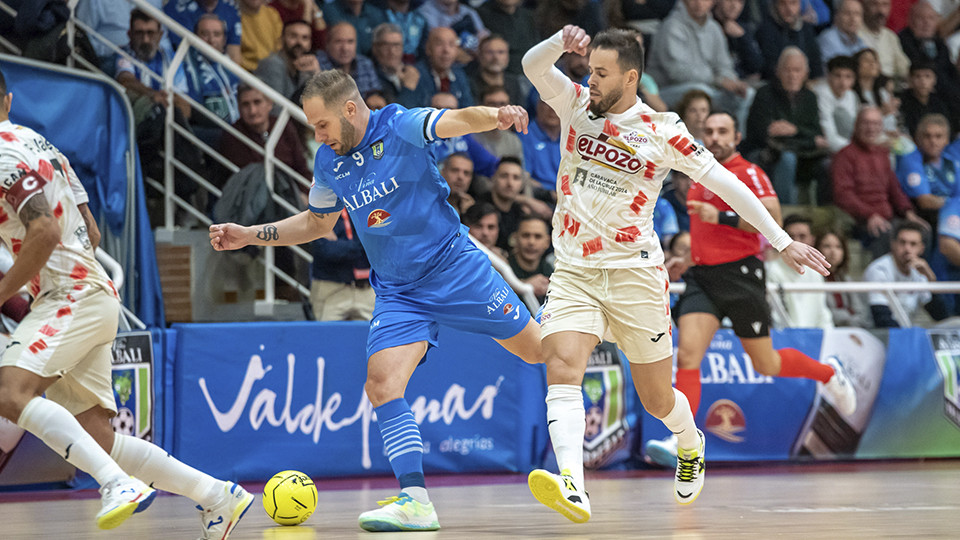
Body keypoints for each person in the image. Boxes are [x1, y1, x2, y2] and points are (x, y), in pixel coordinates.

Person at [209, 69, 542, 532]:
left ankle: (587, 312)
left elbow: (455, 120)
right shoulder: (329, 162)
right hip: (399, 291)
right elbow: (317, 225)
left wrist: (497, 115)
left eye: (322, 124)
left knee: (540, 350)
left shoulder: (399, 125)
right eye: (312, 128)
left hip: (455, 270)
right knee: (382, 385)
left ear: (350, 109)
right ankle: (415, 499)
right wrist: (249, 235)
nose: (318, 136)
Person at [521, 25, 830, 521]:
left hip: (635, 277)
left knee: (658, 398)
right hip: (575, 271)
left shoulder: (663, 130)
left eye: (601, 73)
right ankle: (573, 486)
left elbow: (728, 184)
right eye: (589, 70)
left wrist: (783, 240)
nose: (591, 80)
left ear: (631, 76)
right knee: (562, 365)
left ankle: (690, 441)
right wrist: (559, 40)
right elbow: (533, 67)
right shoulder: (575, 103)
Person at [0, 69, 253, 539]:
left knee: (9, 392)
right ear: (9, 100)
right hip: (93, 292)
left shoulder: (1, 153)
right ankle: (219, 495)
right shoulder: (40, 145)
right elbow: (91, 231)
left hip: (70, 294)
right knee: (98, 439)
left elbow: (46, 232)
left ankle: (117, 485)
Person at [644, 112, 856, 469]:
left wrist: (721, 217)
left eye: (722, 131)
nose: (715, 137)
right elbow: (706, 233)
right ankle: (684, 440)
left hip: (742, 276)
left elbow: (772, 217)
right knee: (687, 357)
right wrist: (687, 258)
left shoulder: (749, 173)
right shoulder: (698, 171)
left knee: (766, 363)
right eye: (709, 131)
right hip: (703, 277)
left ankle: (829, 374)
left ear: (737, 136)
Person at [832, 107, 928, 257]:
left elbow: (894, 188)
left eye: (876, 124)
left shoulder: (882, 154)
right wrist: (869, 214)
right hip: (860, 221)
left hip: (888, 218)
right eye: (866, 123)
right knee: (886, 234)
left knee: (922, 231)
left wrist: (908, 212)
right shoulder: (844, 156)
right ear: (856, 125)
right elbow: (843, 195)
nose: (871, 128)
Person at [766, 214, 836, 329]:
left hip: (815, 337)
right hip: (785, 338)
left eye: (802, 236)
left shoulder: (816, 271)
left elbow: (822, 312)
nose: (796, 242)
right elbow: (777, 317)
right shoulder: (771, 270)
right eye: (791, 236)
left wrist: (828, 335)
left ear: (812, 240)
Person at [863, 221, 937, 326]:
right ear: (893, 244)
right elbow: (881, 318)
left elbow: (939, 314)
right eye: (902, 242)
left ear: (921, 249)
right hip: (875, 334)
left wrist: (931, 279)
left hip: (904, 333)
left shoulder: (919, 272)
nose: (907, 249)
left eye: (913, 244)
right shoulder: (879, 269)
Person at [309, 209, 376, 321]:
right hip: (331, 289)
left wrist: (338, 242)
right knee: (325, 337)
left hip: (367, 290)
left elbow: (376, 245)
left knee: (373, 337)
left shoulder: (370, 205)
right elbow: (326, 250)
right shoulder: (320, 206)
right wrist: (359, 246)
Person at [254, 20, 321, 106]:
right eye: (293, 36)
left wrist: (317, 74)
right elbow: (275, 108)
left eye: (305, 38)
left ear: (310, 44)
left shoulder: (307, 69)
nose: (299, 42)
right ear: (282, 39)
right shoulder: (272, 64)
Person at [816, 229, 872, 327]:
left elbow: (861, 313)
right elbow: (820, 312)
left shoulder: (846, 279)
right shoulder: (814, 279)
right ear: (817, 249)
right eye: (827, 246)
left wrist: (848, 319)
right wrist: (847, 314)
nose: (833, 251)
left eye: (838, 247)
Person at [814, 55, 860, 153]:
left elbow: (855, 128)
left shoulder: (851, 95)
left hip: (848, 146)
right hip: (824, 150)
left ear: (854, 79)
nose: (843, 82)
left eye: (848, 77)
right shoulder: (821, 93)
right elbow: (829, 135)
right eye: (838, 76)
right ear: (829, 75)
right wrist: (855, 151)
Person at [859, 0, 911, 81]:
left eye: (885, 5)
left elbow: (904, 69)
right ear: (864, 7)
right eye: (874, 4)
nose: (881, 11)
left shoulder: (890, 36)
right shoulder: (855, 34)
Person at [508, 215, 553, 304]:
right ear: (515, 239)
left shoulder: (550, 270)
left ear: (547, 242)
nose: (531, 242)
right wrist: (524, 286)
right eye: (526, 235)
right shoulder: (502, 268)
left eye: (538, 236)